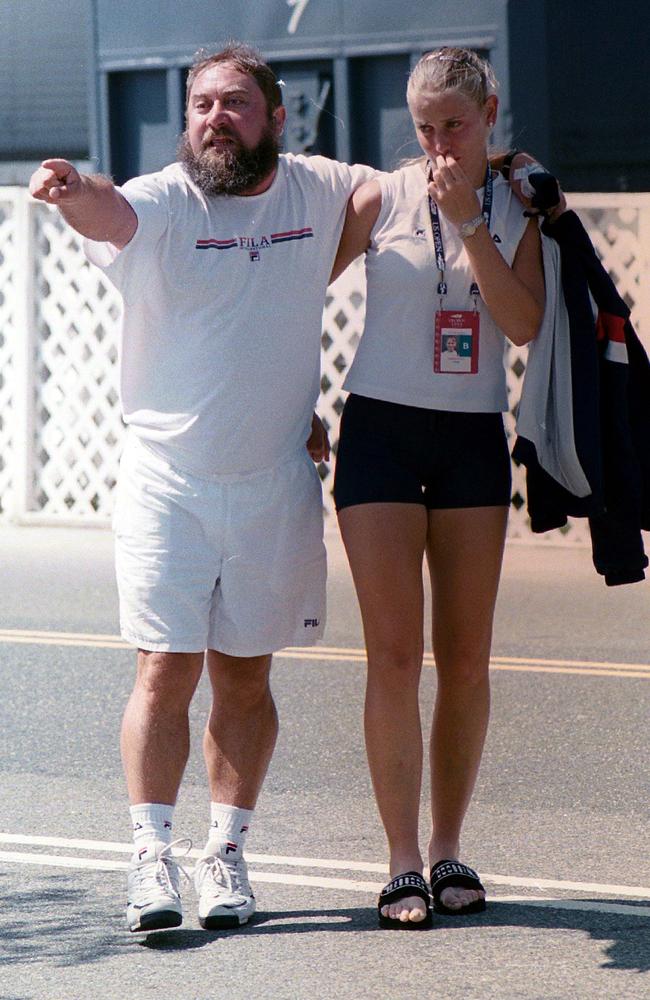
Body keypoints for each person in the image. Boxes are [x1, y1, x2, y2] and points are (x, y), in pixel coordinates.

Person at [29, 42, 373, 933]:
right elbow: (109, 211)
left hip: (274, 485)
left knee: (246, 678)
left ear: (276, 116)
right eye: (200, 106)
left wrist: (481, 159)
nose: (215, 119)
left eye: (234, 104)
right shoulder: (166, 201)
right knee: (165, 670)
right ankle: (151, 860)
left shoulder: (315, 186)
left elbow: (386, 195)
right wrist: (73, 188)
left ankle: (225, 854)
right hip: (167, 483)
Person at [331, 47, 545, 927]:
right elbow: (291, 294)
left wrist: (470, 224)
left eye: (454, 123)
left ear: (490, 111)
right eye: (424, 127)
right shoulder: (380, 197)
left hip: (470, 440)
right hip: (379, 430)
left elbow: (523, 323)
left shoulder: (520, 202)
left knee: (465, 659)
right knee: (392, 655)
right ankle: (401, 860)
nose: (439, 142)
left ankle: (451, 844)